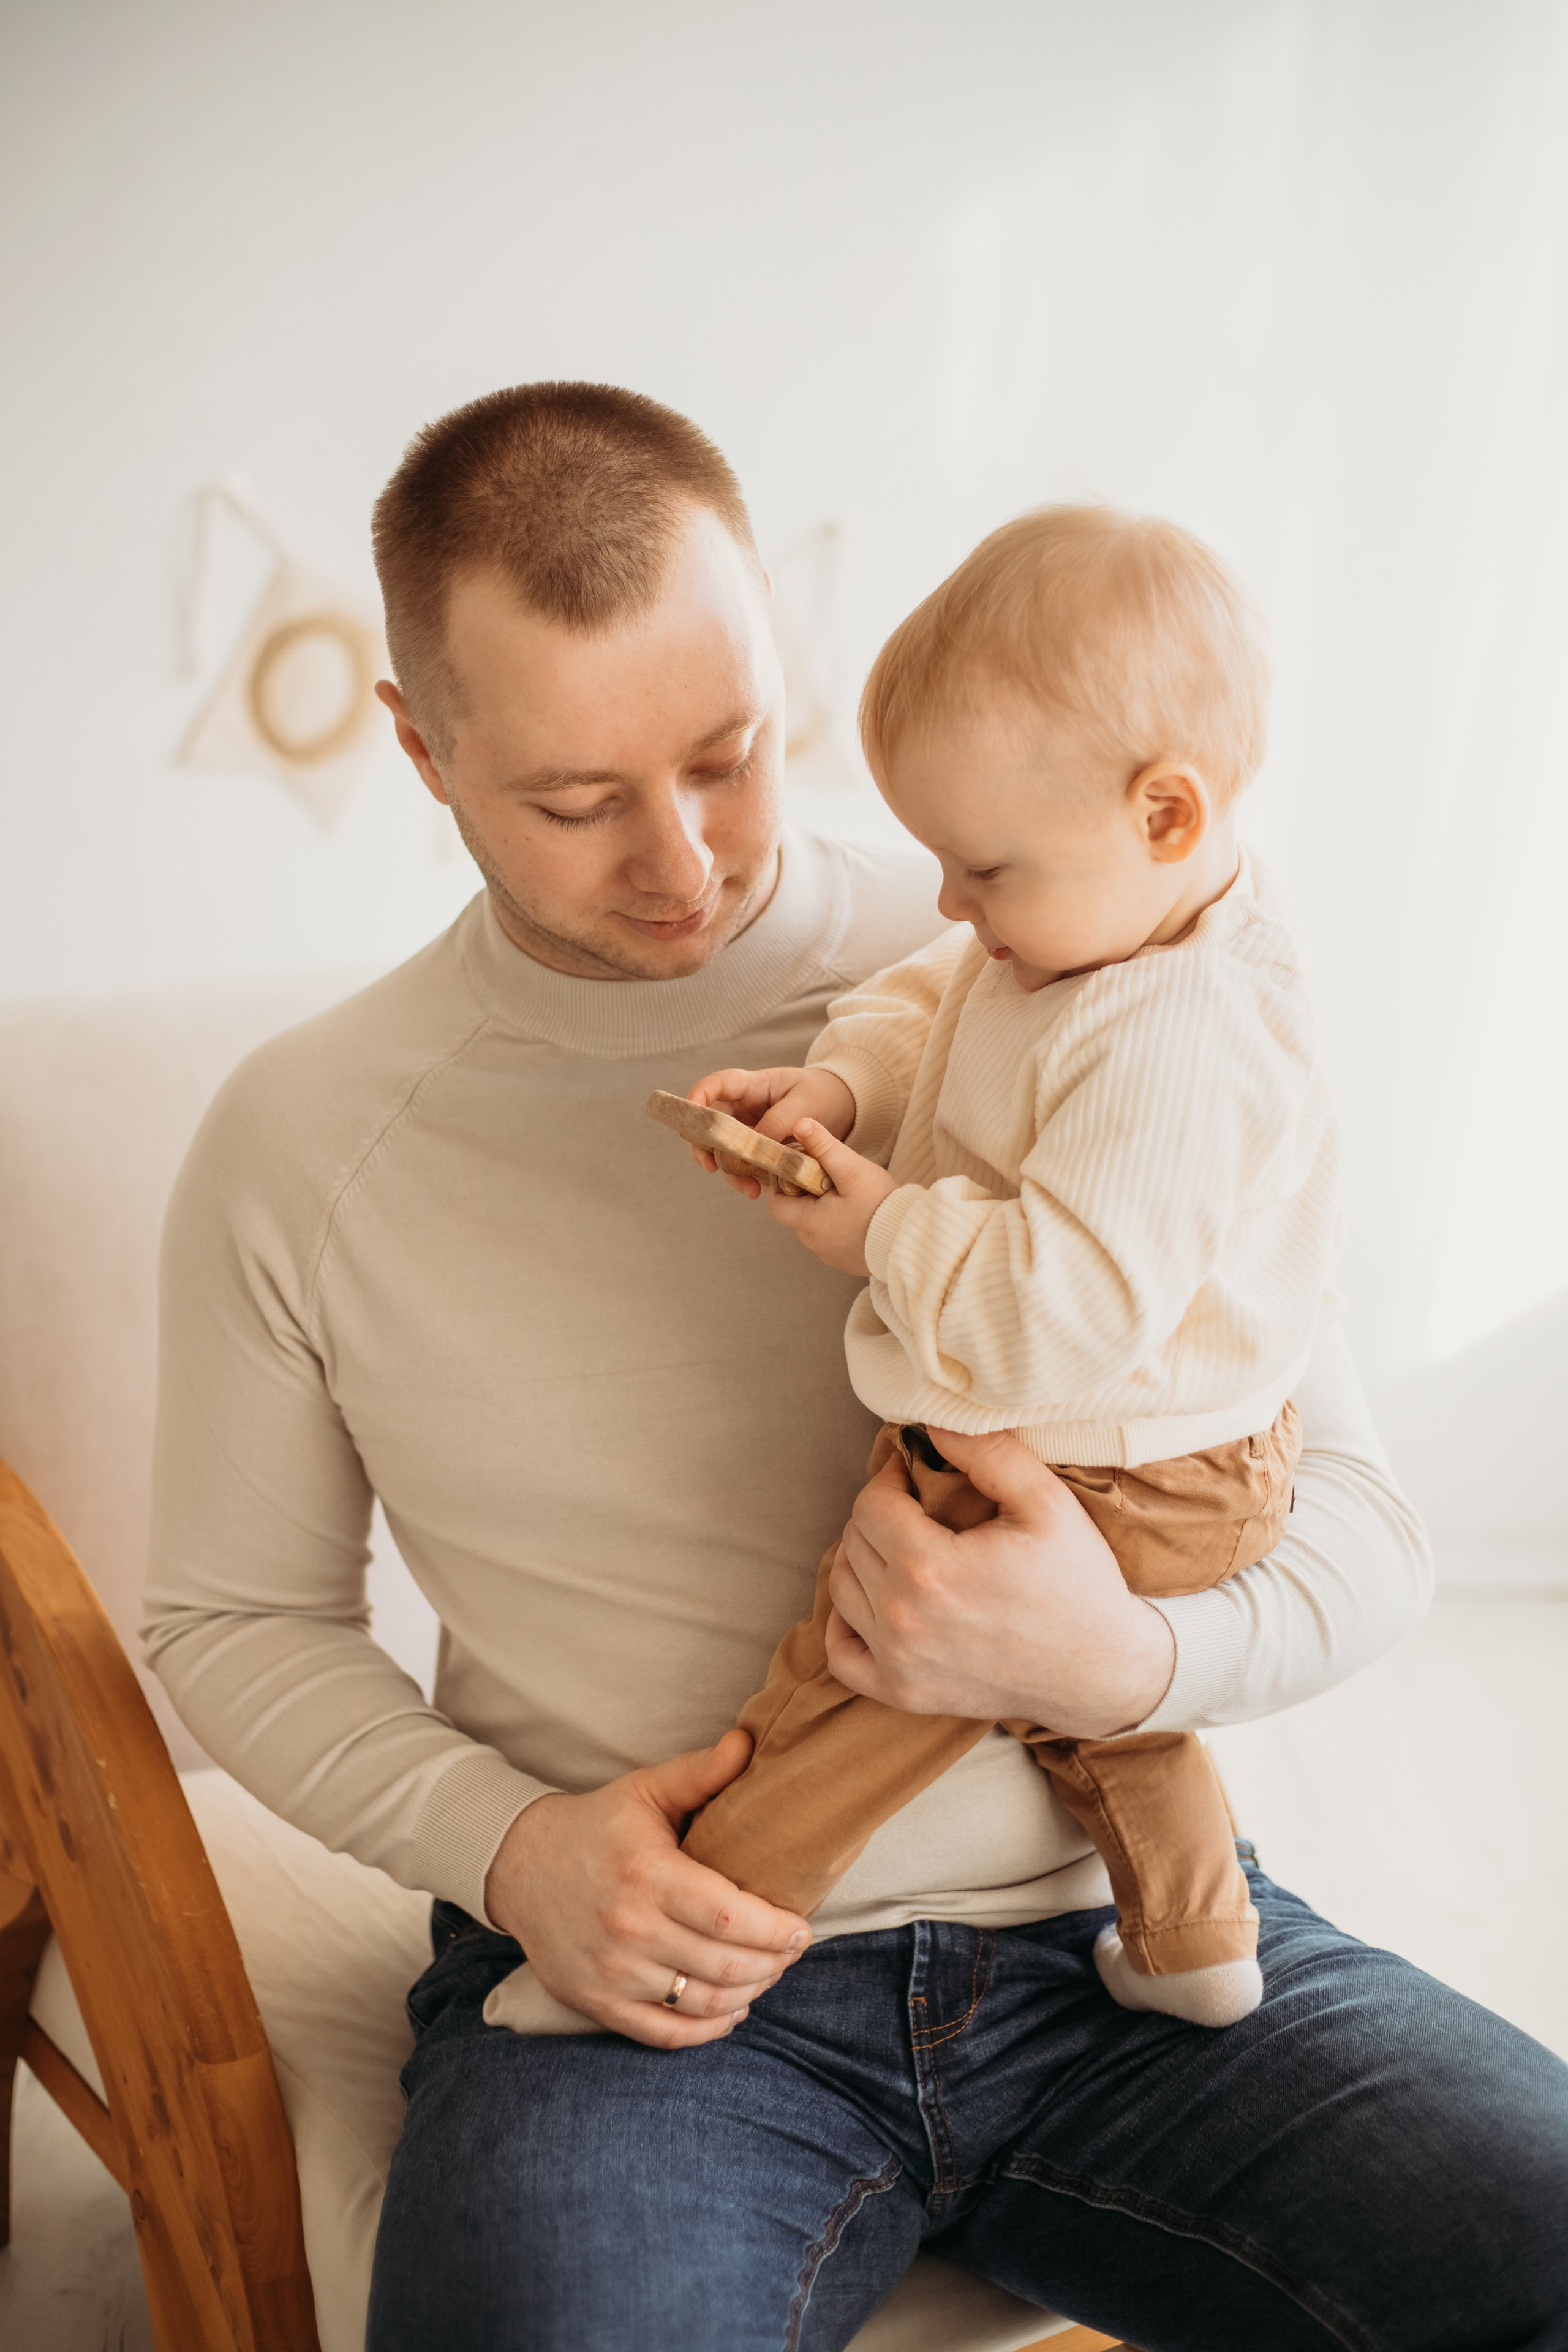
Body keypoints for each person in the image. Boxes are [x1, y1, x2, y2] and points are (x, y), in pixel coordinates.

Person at [142, 382, 1568, 2352]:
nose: (684, 859)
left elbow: (1358, 1520)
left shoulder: (1064, 949)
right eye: (577, 801)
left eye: (729, 755)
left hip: (1118, 1956)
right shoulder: (304, 1140)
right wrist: (515, 1854)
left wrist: (1121, 1664)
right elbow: (232, 1623)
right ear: (423, 750)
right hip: (660, 2002)